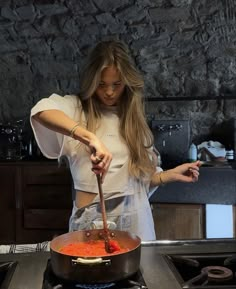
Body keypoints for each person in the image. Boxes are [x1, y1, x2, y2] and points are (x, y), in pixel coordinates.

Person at [30, 40, 200, 241]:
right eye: (101, 84)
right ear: (92, 81)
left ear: (127, 83)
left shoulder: (133, 121)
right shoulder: (76, 109)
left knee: (140, 270)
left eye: (116, 84)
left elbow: (135, 183)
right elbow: (40, 110)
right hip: (92, 220)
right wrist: (88, 136)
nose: (109, 92)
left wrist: (167, 176)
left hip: (137, 219)